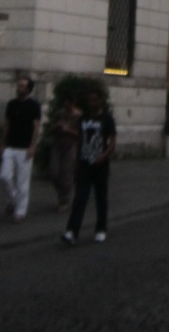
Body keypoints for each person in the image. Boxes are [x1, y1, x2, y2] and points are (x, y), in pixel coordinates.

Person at [62, 90, 116, 246]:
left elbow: (112, 142)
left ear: (100, 101)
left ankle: (101, 229)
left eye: (94, 100)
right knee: (80, 198)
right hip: (85, 163)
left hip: (100, 165)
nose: (91, 103)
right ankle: (72, 231)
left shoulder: (106, 119)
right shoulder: (83, 118)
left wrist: (103, 156)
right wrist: (77, 161)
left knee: (100, 198)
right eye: (89, 100)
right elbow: (80, 139)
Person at [0, 76, 42, 223]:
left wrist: (32, 146)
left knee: (22, 181)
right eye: (19, 85)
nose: (19, 88)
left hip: (24, 148)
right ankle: (12, 199)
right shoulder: (11, 104)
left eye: (23, 86)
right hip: (10, 146)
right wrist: (3, 143)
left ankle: (20, 210)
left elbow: (36, 127)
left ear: (29, 89)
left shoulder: (34, 105)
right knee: (4, 176)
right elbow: (7, 124)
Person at [47, 94, 82, 212]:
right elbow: (50, 129)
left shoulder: (78, 116)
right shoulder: (59, 114)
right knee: (54, 172)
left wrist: (69, 129)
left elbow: (81, 134)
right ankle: (61, 193)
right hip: (57, 145)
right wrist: (57, 127)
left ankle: (64, 200)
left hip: (70, 146)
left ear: (73, 104)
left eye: (69, 105)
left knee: (66, 173)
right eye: (65, 104)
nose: (67, 107)